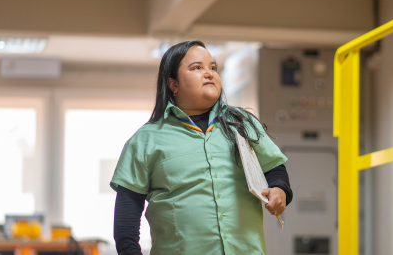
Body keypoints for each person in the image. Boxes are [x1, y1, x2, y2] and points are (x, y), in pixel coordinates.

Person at [110, 40, 292, 255]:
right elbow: (126, 219)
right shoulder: (145, 140)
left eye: (213, 67)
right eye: (197, 68)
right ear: (173, 84)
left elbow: (274, 169)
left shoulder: (242, 124)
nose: (209, 73)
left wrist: (280, 190)